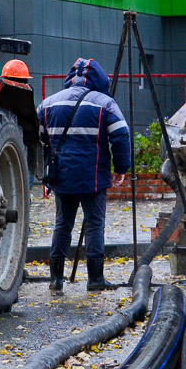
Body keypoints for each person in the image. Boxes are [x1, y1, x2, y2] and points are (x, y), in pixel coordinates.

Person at [38, 57, 131, 292]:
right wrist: (121, 169)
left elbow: (36, 139)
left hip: (62, 177)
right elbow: (121, 135)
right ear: (99, 79)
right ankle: (95, 279)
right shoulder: (105, 103)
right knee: (94, 225)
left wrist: (44, 171)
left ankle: (56, 280)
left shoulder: (48, 104)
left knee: (62, 225)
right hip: (94, 178)